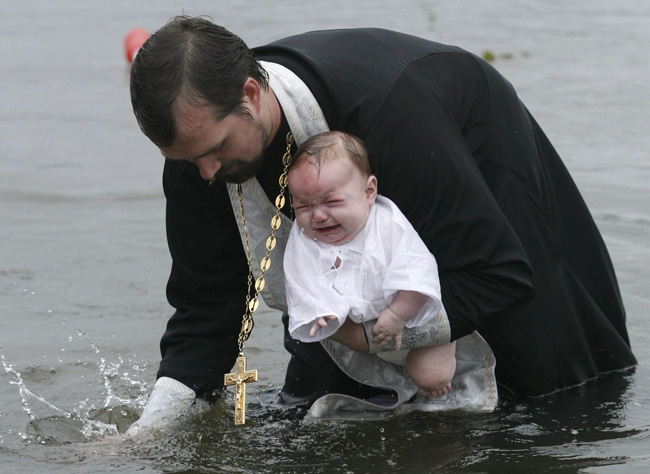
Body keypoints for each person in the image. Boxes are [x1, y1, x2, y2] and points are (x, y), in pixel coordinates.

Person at [126, 16, 636, 431]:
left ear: (252, 93)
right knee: (311, 418)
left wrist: (369, 338)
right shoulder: (199, 154)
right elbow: (206, 309)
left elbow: (496, 272)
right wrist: (146, 434)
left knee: (548, 397)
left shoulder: (393, 112)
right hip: (364, 187)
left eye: (215, 151)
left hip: (460, 138)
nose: (207, 175)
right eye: (188, 160)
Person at [284, 131, 456, 398]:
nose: (318, 215)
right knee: (367, 377)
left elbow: (419, 275)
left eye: (332, 201)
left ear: (368, 192)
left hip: (411, 314)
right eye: (303, 206)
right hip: (364, 325)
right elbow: (301, 278)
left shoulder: (387, 226)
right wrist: (320, 307)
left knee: (431, 377)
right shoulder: (305, 237)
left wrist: (397, 315)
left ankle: (448, 348)